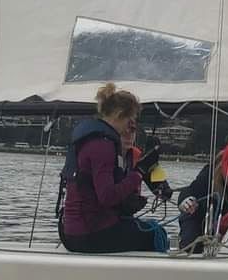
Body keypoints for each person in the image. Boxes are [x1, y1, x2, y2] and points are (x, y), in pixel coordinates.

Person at [58, 82, 168, 254]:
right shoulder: (104, 145)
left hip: (71, 232)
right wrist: (139, 172)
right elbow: (107, 196)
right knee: (155, 234)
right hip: (90, 234)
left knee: (140, 228)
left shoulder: (90, 139)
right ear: (118, 114)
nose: (129, 128)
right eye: (129, 121)